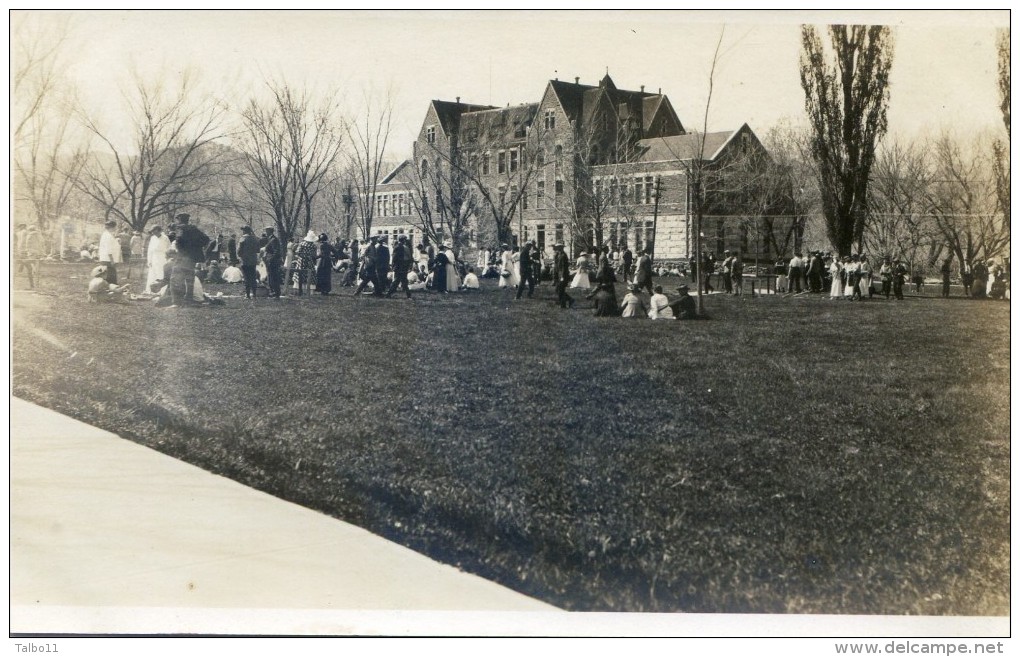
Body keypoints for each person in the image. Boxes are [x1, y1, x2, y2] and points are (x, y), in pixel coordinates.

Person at [170, 213, 210, 305]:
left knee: (175, 278)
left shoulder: (180, 228)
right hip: (192, 258)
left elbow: (179, 241)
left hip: (182, 256)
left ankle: (176, 301)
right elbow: (206, 239)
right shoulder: (194, 229)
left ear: (179, 219)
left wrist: (182, 250)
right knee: (190, 278)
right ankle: (189, 299)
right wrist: (196, 247)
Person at [237, 226, 260, 300]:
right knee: (253, 277)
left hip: (245, 260)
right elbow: (258, 250)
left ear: (244, 231)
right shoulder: (255, 239)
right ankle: (254, 294)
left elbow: (239, 251)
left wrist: (241, 256)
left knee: (246, 277)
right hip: (253, 260)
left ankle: (247, 294)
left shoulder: (243, 238)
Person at [18, 224, 44, 289]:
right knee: (33, 268)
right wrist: (42, 253)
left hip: (29, 253)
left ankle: (33, 285)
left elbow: (26, 245)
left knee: (31, 268)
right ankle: (34, 285)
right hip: (35, 253)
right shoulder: (38, 235)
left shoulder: (27, 234)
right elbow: (42, 244)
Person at [98, 220, 123, 284]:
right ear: (112, 227)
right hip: (108, 259)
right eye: (115, 227)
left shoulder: (106, 234)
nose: (116, 228)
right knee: (110, 276)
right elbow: (108, 249)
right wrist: (112, 260)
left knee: (108, 275)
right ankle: (111, 288)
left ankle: (109, 287)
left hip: (105, 258)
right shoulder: (108, 236)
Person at [551, 242, 574, 309]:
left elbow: (564, 267)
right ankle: (569, 300)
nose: (556, 249)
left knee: (560, 290)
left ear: (561, 248)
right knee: (558, 290)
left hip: (563, 275)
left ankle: (563, 304)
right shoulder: (558, 255)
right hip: (559, 275)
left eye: (558, 247)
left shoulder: (563, 255)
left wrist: (562, 276)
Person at [262, 226, 283, 298]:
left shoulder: (273, 239)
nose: (265, 232)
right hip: (270, 261)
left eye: (266, 231)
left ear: (269, 231)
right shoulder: (270, 239)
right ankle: (273, 292)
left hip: (273, 262)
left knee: (274, 277)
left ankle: (276, 293)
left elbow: (276, 251)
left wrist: (270, 259)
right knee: (271, 277)